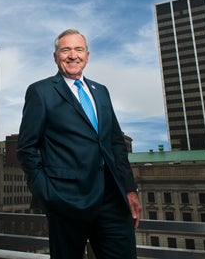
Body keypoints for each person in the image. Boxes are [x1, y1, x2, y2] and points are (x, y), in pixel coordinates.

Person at [17, 29, 141, 259]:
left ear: (87, 55)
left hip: (112, 200)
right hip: (66, 201)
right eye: (65, 50)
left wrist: (130, 190)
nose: (72, 55)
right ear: (56, 57)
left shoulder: (101, 91)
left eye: (78, 49)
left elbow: (115, 143)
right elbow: (26, 148)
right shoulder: (41, 91)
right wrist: (47, 194)